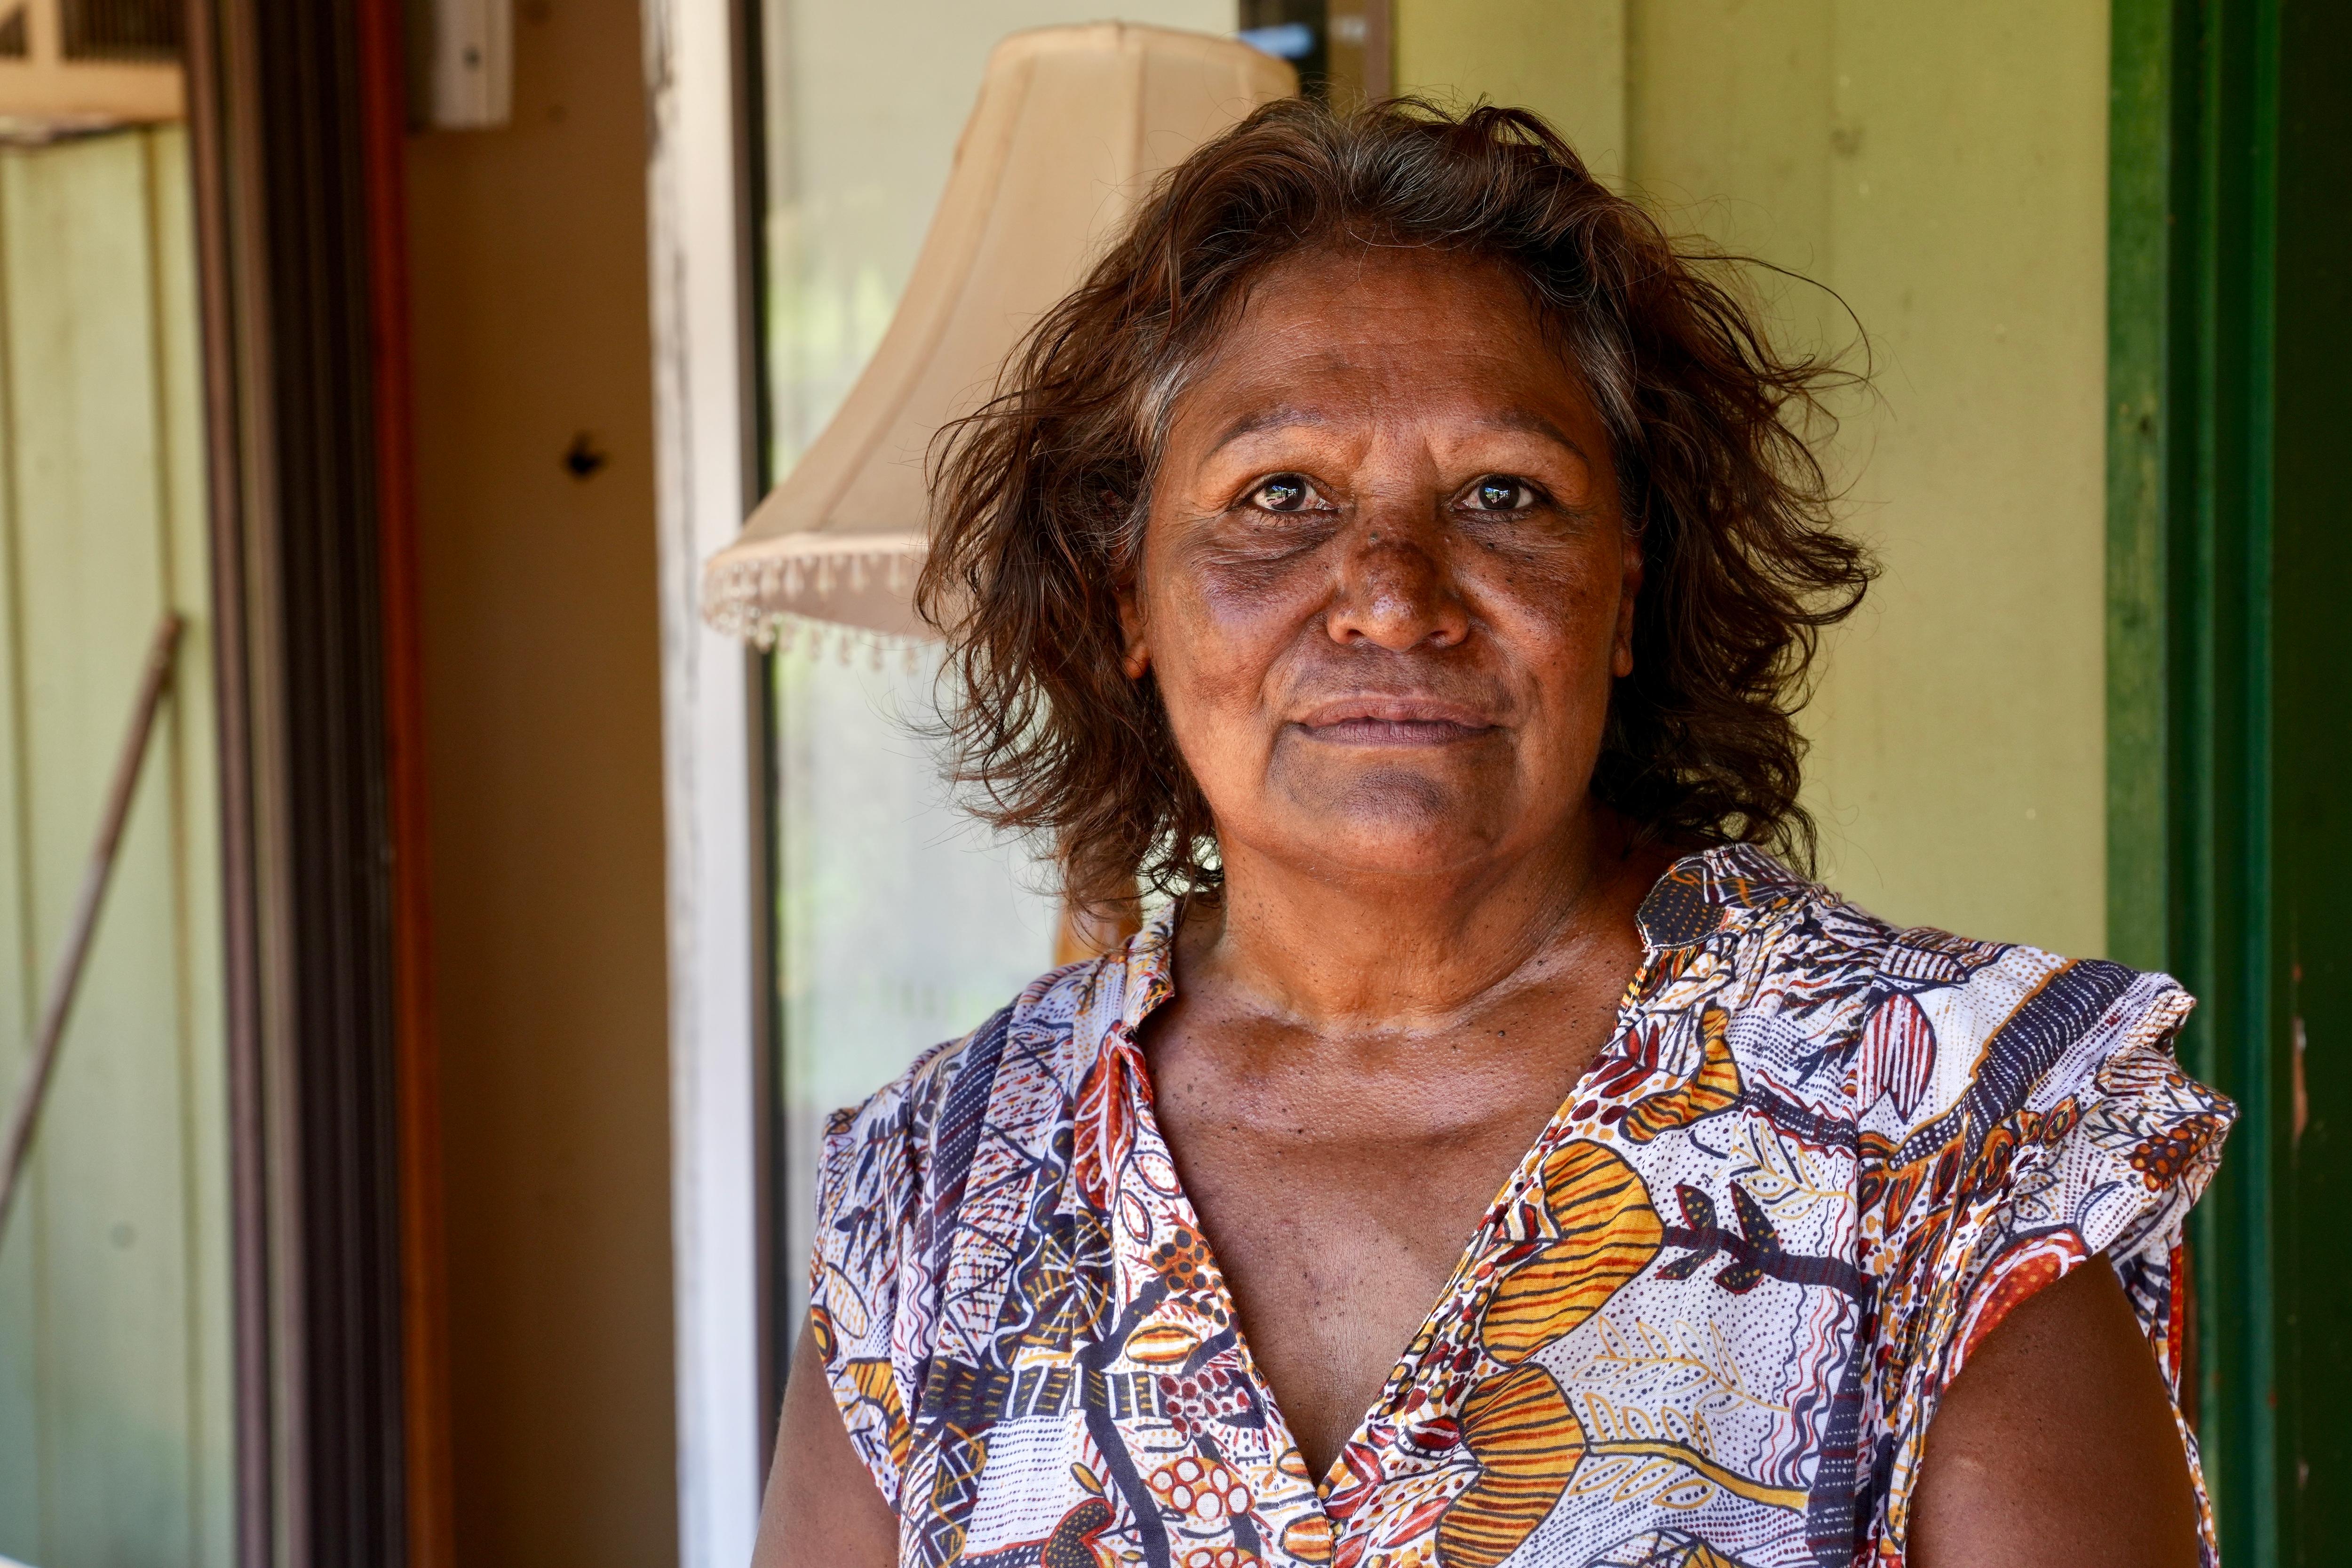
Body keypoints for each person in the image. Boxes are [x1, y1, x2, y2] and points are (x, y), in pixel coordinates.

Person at [753, 99, 2231, 1568]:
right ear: (1129, 593)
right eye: (1281, 496)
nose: (1395, 595)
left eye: (1504, 496)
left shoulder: (1934, 1139)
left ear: (1628, 590)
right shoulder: (942, 1193)